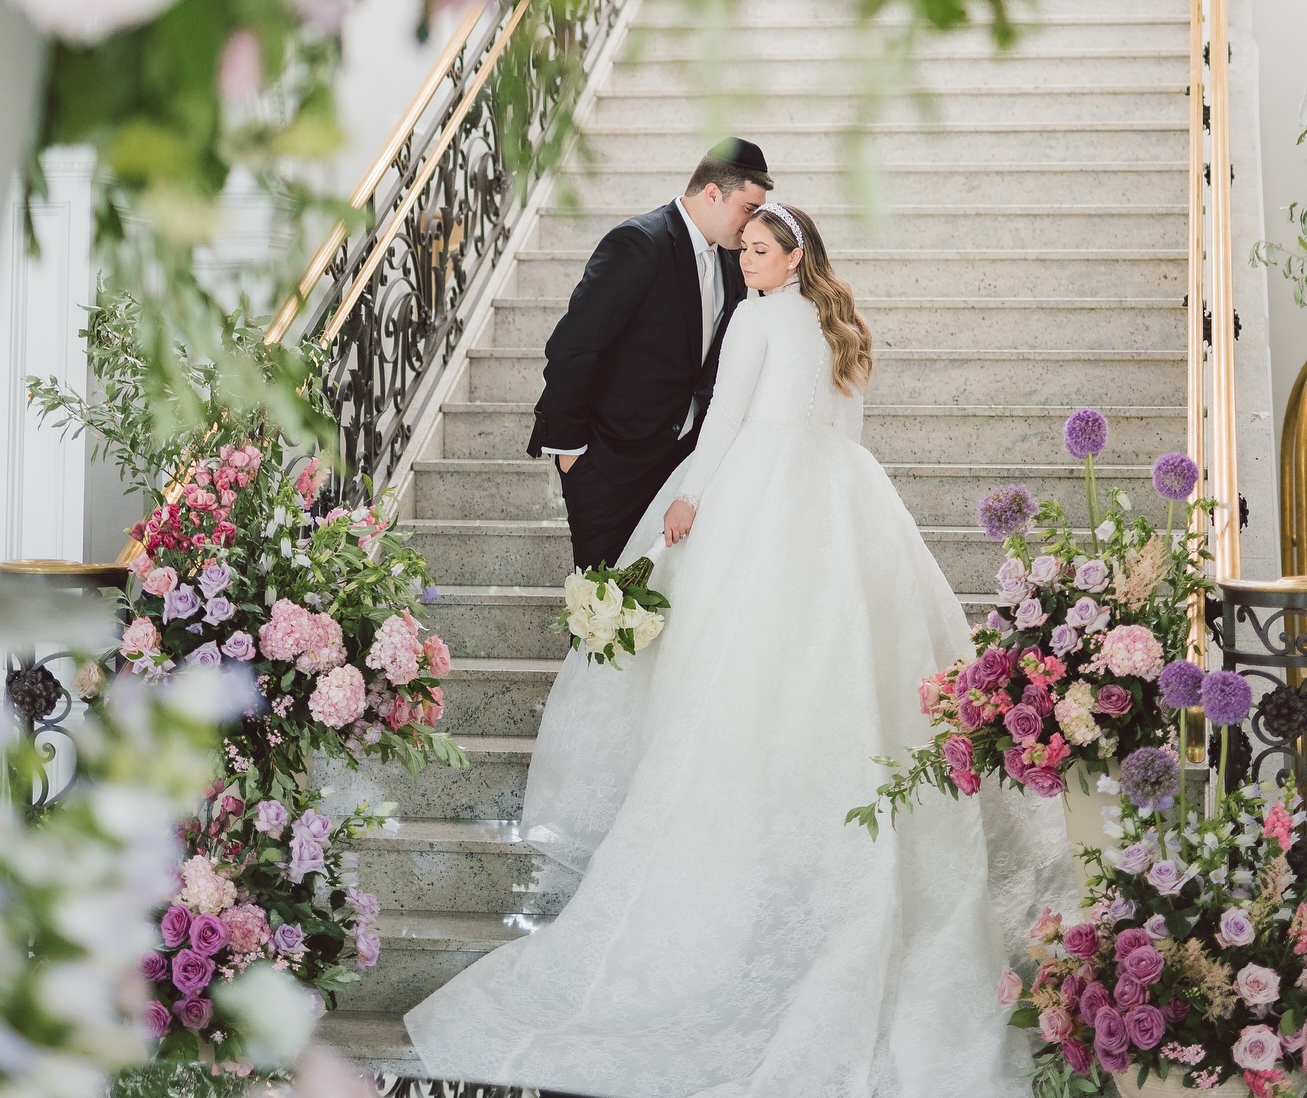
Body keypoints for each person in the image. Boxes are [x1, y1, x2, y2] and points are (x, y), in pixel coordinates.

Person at [407, 203, 1073, 1098]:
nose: (747, 261)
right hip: (839, 491)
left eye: (760, 251)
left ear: (793, 257)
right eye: (745, 249)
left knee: (737, 667)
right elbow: (848, 430)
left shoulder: (759, 319)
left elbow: (722, 421)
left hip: (757, 483)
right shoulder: (837, 321)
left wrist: (690, 499)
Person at [527, 137, 773, 572]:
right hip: (609, 468)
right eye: (749, 209)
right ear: (712, 193)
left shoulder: (734, 263)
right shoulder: (639, 242)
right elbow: (574, 348)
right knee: (603, 600)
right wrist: (573, 457)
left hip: (680, 467)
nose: (753, 224)